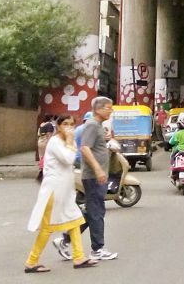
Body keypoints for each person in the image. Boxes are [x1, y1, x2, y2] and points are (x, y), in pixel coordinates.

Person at [24, 114, 97, 273]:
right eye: (65, 124)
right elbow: (69, 159)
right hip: (54, 192)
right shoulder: (56, 142)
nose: (69, 127)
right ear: (58, 126)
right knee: (47, 228)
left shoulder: (65, 141)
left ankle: (79, 257)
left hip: (64, 192)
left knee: (75, 220)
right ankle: (32, 261)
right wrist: (71, 141)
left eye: (71, 124)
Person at [53, 97, 118, 262]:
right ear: (98, 109)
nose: (111, 111)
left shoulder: (97, 126)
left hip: (97, 176)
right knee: (96, 212)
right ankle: (98, 249)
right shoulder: (91, 125)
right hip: (93, 176)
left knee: (92, 212)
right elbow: (85, 148)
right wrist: (98, 169)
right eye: (108, 108)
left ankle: (65, 240)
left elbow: (93, 146)